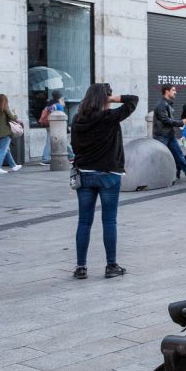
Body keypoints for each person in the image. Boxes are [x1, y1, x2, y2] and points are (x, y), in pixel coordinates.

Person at [69, 83, 137, 279]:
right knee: (109, 221)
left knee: (84, 221)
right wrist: (113, 99)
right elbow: (133, 100)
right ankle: (111, 265)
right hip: (108, 175)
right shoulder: (108, 117)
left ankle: (81, 267)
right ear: (105, 99)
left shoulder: (77, 119)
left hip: (85, 174)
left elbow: (74, 146)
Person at [153, 85, 186, 181]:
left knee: (178, 154)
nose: (175, 92)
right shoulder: (162, 105)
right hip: (162, 136)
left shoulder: (167, 104)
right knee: (161, 157)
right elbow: (165, 120)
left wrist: (181, 122)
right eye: (173, 90)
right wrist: (182, 122)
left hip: (169, 135)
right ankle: (157, 177)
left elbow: (169, 120)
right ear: (167, 91)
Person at [39, 91, 74, 165]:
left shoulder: (49, 104)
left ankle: (46, 158)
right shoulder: (58, 105)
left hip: (49, 125)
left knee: (49, 142)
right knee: (63, 141)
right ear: (60, 97)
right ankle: (71, 156)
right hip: (57, 126)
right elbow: (61, 117)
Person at [0, 94, 21, 173]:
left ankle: (13, 166)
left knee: (6, 150)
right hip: (5, 133)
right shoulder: (5, 108)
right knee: (2, 150)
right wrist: (15, 112)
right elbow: (13, 118)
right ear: (5, 101)